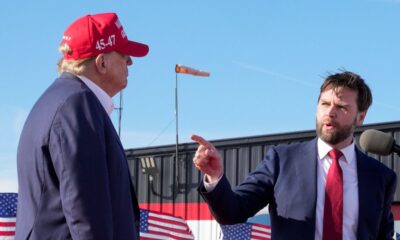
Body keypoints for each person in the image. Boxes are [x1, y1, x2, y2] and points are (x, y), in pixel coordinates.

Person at [191, 71, 397, 239]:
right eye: (325, 104)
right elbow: (233, 212)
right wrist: (215, 177)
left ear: (360, 117)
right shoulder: (281, 161)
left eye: (342, 107)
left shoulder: (380, 176)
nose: (330, 112)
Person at [15, 12, 148, 240]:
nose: (130, 61)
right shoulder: (77, 106)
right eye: (123, 54)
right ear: (102, 62)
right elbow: (87, 216)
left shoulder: (57, 101)